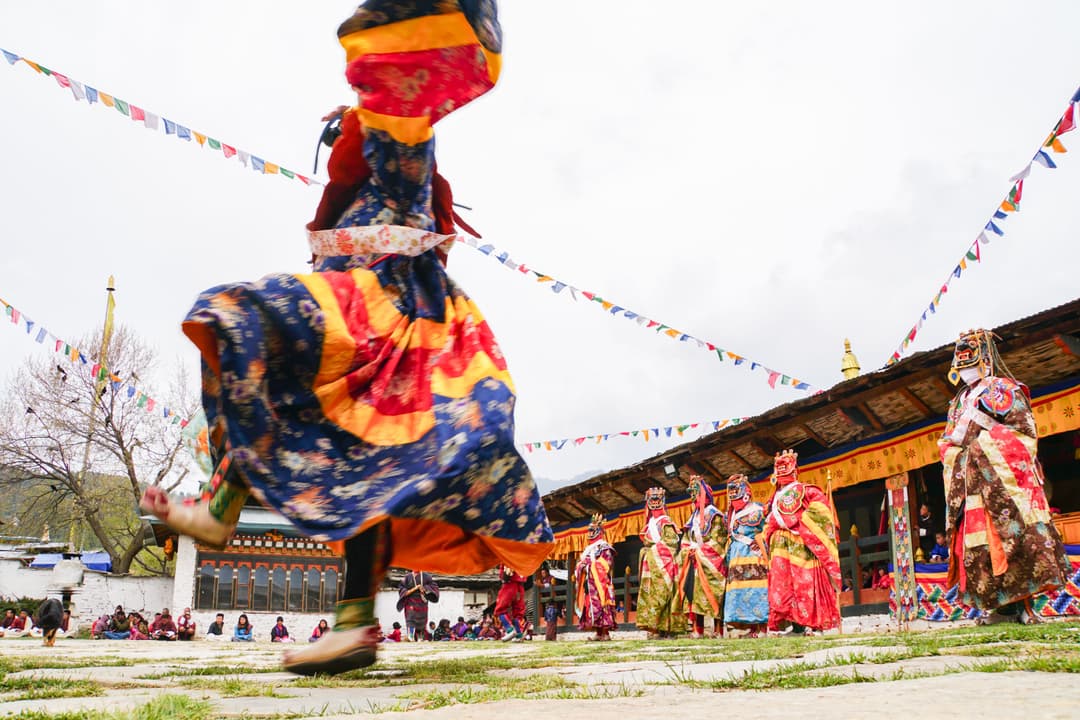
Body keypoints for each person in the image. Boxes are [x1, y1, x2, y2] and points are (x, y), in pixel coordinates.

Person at [137, 0, 552, 678]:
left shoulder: (400, 168)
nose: (338, 140)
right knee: (335, 441)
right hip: (354, 336)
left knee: (243, 320)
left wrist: (397, 50)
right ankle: (287, 563)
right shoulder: (353, 201)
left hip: (386, 328)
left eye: (345, 131)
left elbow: (404, 105)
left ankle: (276, 556)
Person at [939, 329, 1071, 624]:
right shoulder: (958, 402)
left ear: (985, 360)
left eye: (970, 363)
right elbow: (947, 442)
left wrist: (980, 448)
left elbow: (1023, 431)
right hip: (970, 486)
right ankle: (996, 607)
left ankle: (1024, 607)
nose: (965, 371)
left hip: (1003, 484)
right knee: (980, 549)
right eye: (960, 366)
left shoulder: (1004, 390)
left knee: (1013, 540)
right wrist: (957, 456)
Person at [764, 450, 841, 635]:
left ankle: (813, 625)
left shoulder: (807, 491)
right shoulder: (774, 498)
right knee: (783, 586)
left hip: (803, 546)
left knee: (805, 584)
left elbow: (822, 511)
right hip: (781, 550)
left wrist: (801, 522)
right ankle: (793, 626)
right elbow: (768, 521)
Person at [679, 476, 728, 639]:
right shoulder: (692, 518)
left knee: (715, 593)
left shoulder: (715, 515)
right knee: (694, 594)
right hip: (694, 560)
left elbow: (718, 540)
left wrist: (700, 552)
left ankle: (718, 630)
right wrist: (688, 551)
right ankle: (697, 630)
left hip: (711, 562)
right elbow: (686, 539)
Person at [722, 474, 770, 637]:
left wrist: (761, 541)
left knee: (757, 590)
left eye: (736, 489)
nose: (733, 494)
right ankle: (749, 627)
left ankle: (763, 627)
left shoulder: (758, 510)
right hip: (736, 558)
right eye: (731, 490)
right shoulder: (729, 516)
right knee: (741, 593)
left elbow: (768, 529)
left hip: (754, 556)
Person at [635, 487, 684, 639]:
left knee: (663, 594)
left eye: (657, 499)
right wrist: (646, 552)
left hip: (663, 564)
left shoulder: (666, 522)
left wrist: (651, 552)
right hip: (650, 567)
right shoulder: (649, 524)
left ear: (662, 501)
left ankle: (667, 629)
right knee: (650, 595)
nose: (654, 502)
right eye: (652, 499)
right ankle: (654, 628)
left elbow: (671, 543)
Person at [574, 514, 617, 641]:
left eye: (592, 530)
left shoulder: (605, 547)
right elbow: (581, 564)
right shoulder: (587, 550)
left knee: (603, 606)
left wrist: (590, 566)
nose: (590, 533)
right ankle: (598, 633)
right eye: (589, 530)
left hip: (601, 584)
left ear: (599, 531)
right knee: (591, 606)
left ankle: (606, 633)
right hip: (590, 583)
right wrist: (582, 566)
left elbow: (606, 564)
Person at [397, 571, 440, 642]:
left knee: (422, 621)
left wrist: (425, 588)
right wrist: (415, 588)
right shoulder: (407, 577)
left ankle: (420, 638)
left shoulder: (427, 576)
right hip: (410, 601)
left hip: (422, 601)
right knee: (410, 618)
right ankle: (410, 636)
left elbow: (433, 586)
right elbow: (402, 589)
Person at [495, 565, 527, 642]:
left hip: (510, 584)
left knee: (500, 609)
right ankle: (519, 635)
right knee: (518, 612)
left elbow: (507, 572)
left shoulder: (508, 558)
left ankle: (510, 630)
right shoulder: (524, 559)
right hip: (520, 586)